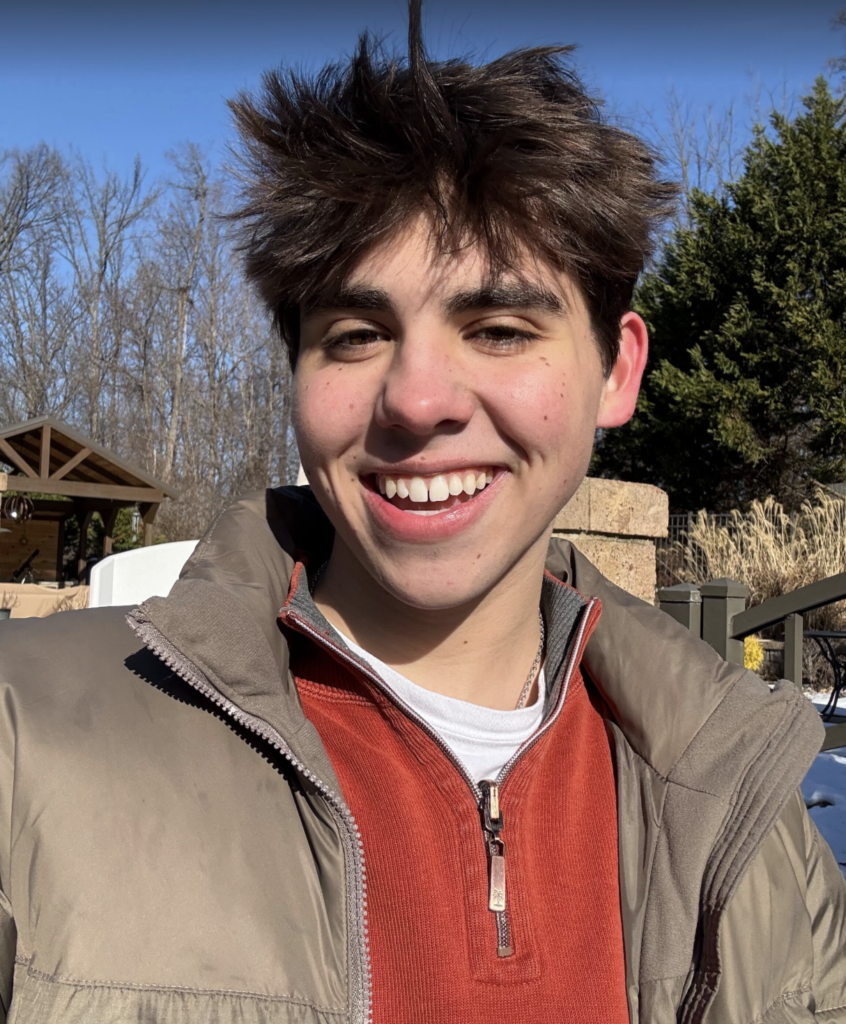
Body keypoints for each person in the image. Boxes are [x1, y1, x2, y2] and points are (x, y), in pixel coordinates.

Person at [0, 5, 844, 1022]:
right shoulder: (26, 746)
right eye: (356, 334)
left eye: (496, 327)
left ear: (617, 368)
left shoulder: (752, 821)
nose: (415, 398)